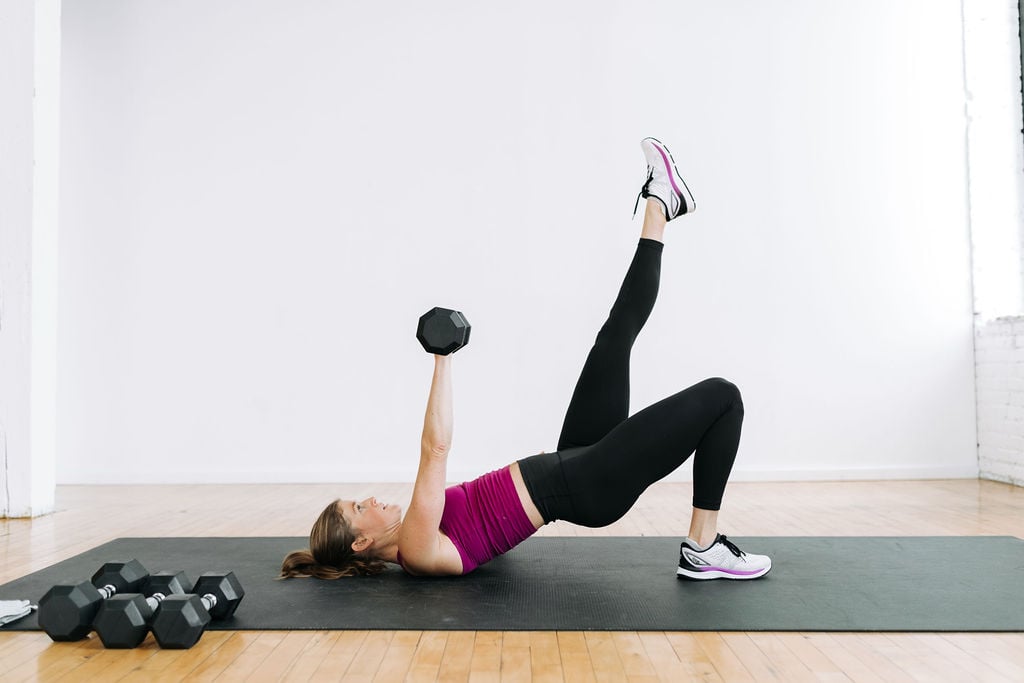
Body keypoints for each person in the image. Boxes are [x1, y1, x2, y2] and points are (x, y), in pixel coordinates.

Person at [280, 138, 772, 581]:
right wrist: (442, 359)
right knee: (723, 398)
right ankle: (703, 546)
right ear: (362, 541)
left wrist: (493, 542)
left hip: (573, 460)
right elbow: (435, 451)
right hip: (588, 484)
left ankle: (661, 203)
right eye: (360, 507)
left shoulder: (420, 537)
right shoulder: (413, 545)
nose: (373, 499)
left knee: (613, 338)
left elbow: (485, 537)